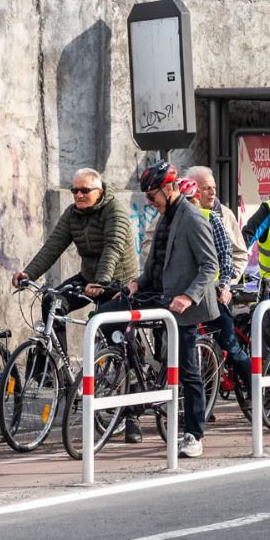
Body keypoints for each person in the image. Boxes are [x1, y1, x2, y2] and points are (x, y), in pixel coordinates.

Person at [108, 162, 218, 458]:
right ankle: (133, 389)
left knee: (188, 369)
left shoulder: (192, 217)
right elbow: (156, 263)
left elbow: (210, 265)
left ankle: (194, 434)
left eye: (152, 195)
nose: (149, 202)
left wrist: (188, 297)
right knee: (110, 313)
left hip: (184, 306)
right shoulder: (166, 217)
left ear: (168, 189)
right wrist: (136, 284)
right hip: (160, 296)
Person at [13, 167, 138, 339]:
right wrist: (29, 273)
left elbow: (113, 248)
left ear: (100, 191)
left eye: (85, 190)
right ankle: (56, 362)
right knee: (52, 302)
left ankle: (132, 358)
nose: (79, 195)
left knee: (109, 330)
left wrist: (101, 282)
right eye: (75, 190)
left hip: (116, 281)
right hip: (88, 278)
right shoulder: (72, 213)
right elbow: (53, 246)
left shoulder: (115, 211)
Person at [176, 174, 253, 410]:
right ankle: (202, 404)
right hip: (184, 295)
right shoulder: (171, 221)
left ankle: (257, 392)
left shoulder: (213, 218)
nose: (211, 193)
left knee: (230, 344)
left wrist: (226, 286)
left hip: (214, 293)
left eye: (213, 188)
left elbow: (226, 257)